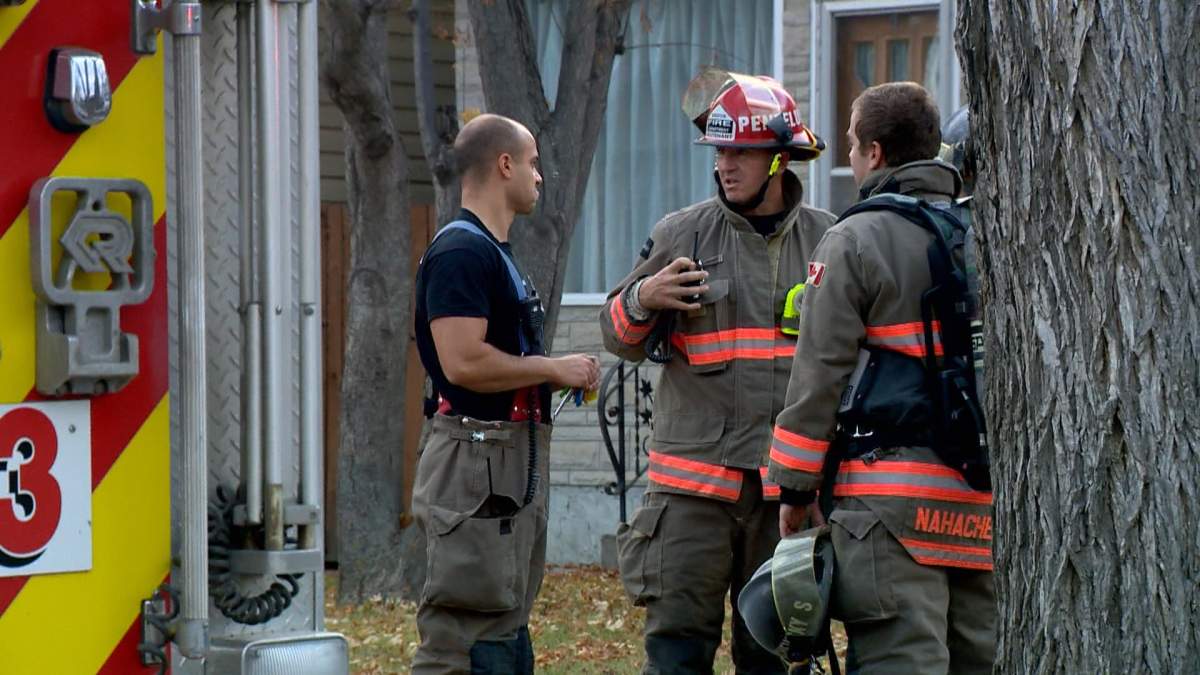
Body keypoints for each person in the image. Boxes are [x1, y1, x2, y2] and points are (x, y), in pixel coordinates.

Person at [600, 72, 835, 674]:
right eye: (720, 151)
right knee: (676, 651)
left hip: (783, 493)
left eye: (742, 152)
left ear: (779, 158)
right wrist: (643, 297)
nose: (726, 165)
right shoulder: (682, 234)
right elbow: (619, 340)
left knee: (775, 656)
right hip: (690, 499)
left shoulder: (830, 242)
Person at [767, 81, 996, 673]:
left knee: (902, 660)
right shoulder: (987, 237)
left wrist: (794, 489)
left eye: (850, 142)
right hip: (981, 506)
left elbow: (818, 376)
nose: (848, 155)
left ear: (873, 153)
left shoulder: (853, 238)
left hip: (886, 512)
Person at [410, 113, 601, 674]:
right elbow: (462, 361)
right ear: (504, 164)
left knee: (504, 620)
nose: (540, 177)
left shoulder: (493, 253)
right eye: (534, 163)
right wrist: (551, 367)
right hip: (472, 462)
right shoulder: (461, 253)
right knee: (462, 635)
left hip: (500, 460)